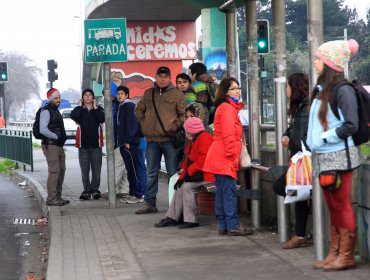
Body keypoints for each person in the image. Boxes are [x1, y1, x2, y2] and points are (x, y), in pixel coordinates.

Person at [307, 39, 360, 271]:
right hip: (323, 156)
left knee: (341, 205)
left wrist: (325, 137)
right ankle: (335, 252)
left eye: (319, 58)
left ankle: (346, 255)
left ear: (330, 63)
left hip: (339, 155)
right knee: (333, 206)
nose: (316, 62)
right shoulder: (322, 90)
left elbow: (351, 125)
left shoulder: (343, 90)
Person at [203, 77, 253, 236]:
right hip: (224, 156)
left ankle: (224, 225)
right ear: (225, 92)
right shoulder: (227, 109)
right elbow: (229, 135)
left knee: (223, 192)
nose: (238, 91)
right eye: (234, 88)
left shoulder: (225, 107)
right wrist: (233, 157)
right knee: (229, 192)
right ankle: (232, 226)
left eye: (238, 88)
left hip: (221, 155)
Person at [135, 66, 186, 214]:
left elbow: (183, 114)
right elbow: (139, 110)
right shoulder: (148, 93)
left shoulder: (177, 94)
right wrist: (144, 123)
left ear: (170, 78)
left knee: (172, 173)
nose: (163, 79)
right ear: (156, 77)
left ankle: (174, 204)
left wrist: (174, 126)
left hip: (170, 140)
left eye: (166, 76)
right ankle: (150, 203)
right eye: (160, 76)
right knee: (151, 173)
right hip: (152, 140)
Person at [272, 73, 310, 249]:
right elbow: (294, 129)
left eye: (287, 86)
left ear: (293, 87)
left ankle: (301, 233)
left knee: (282, 187)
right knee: (299, 194)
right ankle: (300, 234)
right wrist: (287, 134)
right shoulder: (299, 107)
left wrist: (291, 140)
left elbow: (303, 137)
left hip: (304, 160)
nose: (285, 90)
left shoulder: (306, 107)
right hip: (299, 160)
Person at [154, 117, 214, 229]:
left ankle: (191, 220)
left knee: (187, 187)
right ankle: (172, 217)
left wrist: (187, 174)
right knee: (181, 185)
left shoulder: (204, 138)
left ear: (190, 130)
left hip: (209, 175)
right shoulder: (195, 139)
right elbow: (188, 162)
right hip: (201, 174)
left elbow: (203, 161)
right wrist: (182, 178)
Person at [71, 89, 105, 200]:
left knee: (96, 170)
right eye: (85, 95)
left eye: (90, 95)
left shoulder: (98, 109)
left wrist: (95, 108)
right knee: (84, 170)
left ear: (93, 97)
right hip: (83, 145)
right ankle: (86, 190)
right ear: (82, 97)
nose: (88, 97)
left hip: (96, 145)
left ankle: (95, 190)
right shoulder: (79, 109)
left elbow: (102, 118)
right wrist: (80, 107)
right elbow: (74, 116)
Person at [39, 88, 69, 206]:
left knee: (61, 170)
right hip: (51, 145)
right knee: (54, 171)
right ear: (50, 99)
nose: (58, 100)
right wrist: (55, 136)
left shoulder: (55, 110)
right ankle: (51, 198)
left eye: (59, 97)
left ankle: (58, 196)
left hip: (58, 145)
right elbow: (43, 129)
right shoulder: (46, 111)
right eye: (56, 98)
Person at [116, 85, 144, 204]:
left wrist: (127, 141)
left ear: (127, 95)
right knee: (130, 170)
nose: (119, 96)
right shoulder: (122, 106)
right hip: (125, 143)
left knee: (134, 169)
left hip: (130, 143)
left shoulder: (128, 106)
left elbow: (132, 125)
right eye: (118, 94)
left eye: (122, 94)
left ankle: (138, 195)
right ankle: (132, 193)